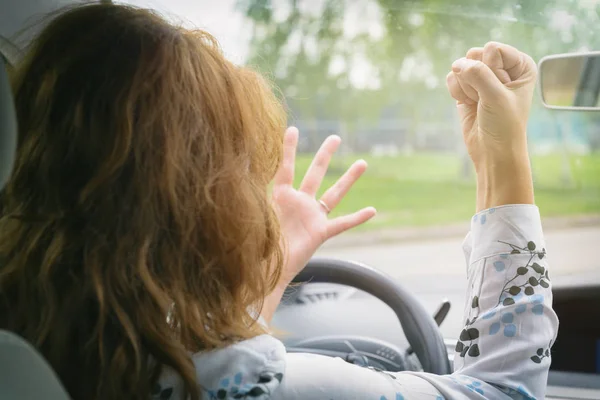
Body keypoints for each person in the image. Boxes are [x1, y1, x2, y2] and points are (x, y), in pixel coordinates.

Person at [0, 3, 558, 400]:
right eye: (245, 176)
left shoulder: (27, 348)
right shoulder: (244, 386)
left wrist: (267, 269)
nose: (255, 200)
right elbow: (504, 390)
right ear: (198, 209)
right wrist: (501, 155)